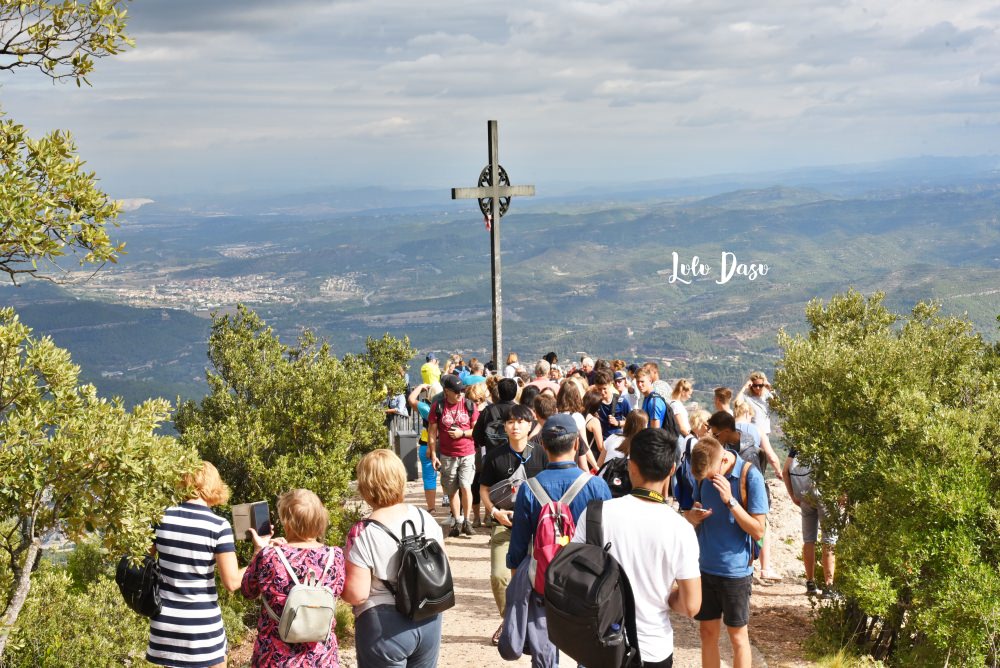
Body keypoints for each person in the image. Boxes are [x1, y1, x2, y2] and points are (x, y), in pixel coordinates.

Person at [572, 429, 702, 668]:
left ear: (631, 465)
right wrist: (666, 595)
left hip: (599, 644)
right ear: (671, 470)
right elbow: (691, 606)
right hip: (652, 648)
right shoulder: (681, 529)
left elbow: (575, 577)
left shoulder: (596, 514)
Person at [505, 414, 613, 667]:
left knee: (545, 645)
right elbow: (609, 539)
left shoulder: (529, 488)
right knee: (589, 647)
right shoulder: (596, 485)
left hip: (545, 577)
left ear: (543, 445)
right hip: (587, 580)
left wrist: (518, 586)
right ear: (577, 444)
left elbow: (519, 544)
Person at [343, 450, 445, 668]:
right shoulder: (425, 518)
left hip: (384, 624)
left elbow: (357, 595)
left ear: (365, 486)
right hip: (429, 617)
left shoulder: (363, 532)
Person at [147, 461, 241, 668]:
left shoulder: (160, 518)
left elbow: (142, 563)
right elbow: (232, 582)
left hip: (165, 623)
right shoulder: (218, 526)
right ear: (214, 485)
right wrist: (259, 556)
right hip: (202, 625)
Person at [685, 437, 768, 668]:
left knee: (738, 637)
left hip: (736, 572)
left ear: (724, 459)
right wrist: (692, 516)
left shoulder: (750, 476)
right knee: (707, 634)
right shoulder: (704, 479)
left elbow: (758, 530)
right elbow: (691, 513)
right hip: (705, 568)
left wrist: (730, 501)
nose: (710, 480)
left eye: (712, 475)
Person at [241, 489, 346, 667]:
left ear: (287, 522)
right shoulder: (335, 556)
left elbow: (247, 591)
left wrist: (259, 551)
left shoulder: (269, 556)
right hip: (320, 657)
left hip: (276, 657)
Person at [479, 404, 549, 645]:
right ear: (505, 426)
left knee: (538, 577)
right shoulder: (495, 456)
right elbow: (484, 489)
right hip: (504, 524)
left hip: (537, 527)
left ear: (530, 425)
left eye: (520, 422)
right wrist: (495, 512)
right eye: (510, 422)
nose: (515, 426)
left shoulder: (540, 453)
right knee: (499, 576)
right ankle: (509, 619)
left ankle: (534, 624)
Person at [427, 374, 480, 537]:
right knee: (452, 490)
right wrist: (434, 455)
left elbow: (476, 431)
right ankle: (457, 520)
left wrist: (462, 433)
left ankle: (467, 521)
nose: (460, 394)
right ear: (446, 391)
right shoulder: (438, 407)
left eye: (462, 391)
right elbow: (432, 432)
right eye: (456, 391)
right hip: (447, 455)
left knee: (466, 486)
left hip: (467, 452)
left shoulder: (470, 405)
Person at [782, 449, 838, 598]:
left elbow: (785, 471)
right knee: (829, 540)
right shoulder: (824, 440)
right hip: (824, 497)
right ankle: (829, 586)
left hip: (804, 496)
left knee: (808, 540)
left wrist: (793, 495)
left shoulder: (796, 446)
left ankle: (810, 583)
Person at [407, 384, 439, 514]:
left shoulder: (427, 408)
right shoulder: (448, 407)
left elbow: (411, 400)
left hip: (427, 444)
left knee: (429, 477)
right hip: (447, 444)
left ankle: (431, 507)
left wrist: (420, 387)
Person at [736, 371, 773, 435]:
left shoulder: (768, 395)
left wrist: (771, 389)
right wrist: (744, 387)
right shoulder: (747, 396)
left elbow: (779, 405)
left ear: (763, 385)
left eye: (760, 385)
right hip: (752, 433)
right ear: (751, 385)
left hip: (765, 432)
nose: (757, 388)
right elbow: (737, 403)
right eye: (755, 385)